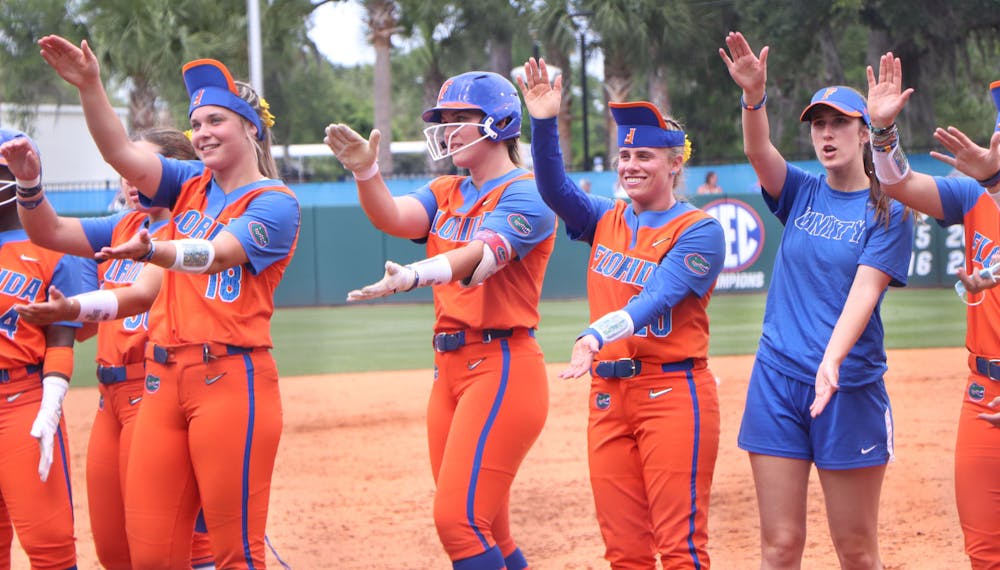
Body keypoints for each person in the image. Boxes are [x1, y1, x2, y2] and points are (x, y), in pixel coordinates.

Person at [31, 35, 300, 569]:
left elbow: (219, 253)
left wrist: (155, 247)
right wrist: (90, 86)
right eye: (196, 124)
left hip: (232, 379)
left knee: (234, 554)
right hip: (162, 381)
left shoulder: (276, 202)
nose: (201, 134)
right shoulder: (190, 185)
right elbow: (122, 154)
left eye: (216, 121)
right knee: (150, 555)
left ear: (251, 126)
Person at [323, 70, 556, 570]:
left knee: (458, 522)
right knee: (487, 525)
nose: (448, 129)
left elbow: (479, 256)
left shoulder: (527, 191)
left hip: (502, 366)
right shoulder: (447, 189)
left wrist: (412, 275)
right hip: (448, 370)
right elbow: (393, 217)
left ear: (499, 123)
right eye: (444, 119)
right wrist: (367, 173)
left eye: (460, 118)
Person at [518, 57, 725, 569]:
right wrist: (544, 122)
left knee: (680, 549)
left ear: (675, 164)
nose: (630, 164)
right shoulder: (605, 218)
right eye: (625, 153)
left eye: (645, 156)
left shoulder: (699, 230)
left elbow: (657, 295)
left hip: (673, 394)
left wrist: (595, 333)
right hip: (608, 398)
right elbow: (553, 189)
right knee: (625, 553)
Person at [719, 32, 914, 569]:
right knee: (779, 546)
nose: (826, 135)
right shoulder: (803, 191)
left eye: (839, 124)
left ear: (862, 132)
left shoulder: (890, 210)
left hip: (847, 388)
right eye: (818, 125)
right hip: (778, 382)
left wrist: (830, 361)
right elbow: (758, 150)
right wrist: (753, 96)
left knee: (855, 551)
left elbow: (864, 290)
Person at [5, 127, 214, 568]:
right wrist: (29, 185)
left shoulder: (191, 229)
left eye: (139, 167)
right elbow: (53, 231)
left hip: (157, 389)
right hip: (110, 397)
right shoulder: (122, 225)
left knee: (168, 543)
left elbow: (136, 296)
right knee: (114, 549)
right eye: (124, 169)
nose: (129, 178)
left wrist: (74, 307)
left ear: (172, 174)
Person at [866, 51, 1000, 569]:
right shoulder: (973, 195)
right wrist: (882, 133)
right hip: (983, 391)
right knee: (985, 553)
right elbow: (898, 183)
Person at [0, 128, 84, 569]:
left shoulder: (53, 248)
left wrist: (50, 404)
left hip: (23, 401)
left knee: (49, 542)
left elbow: (62, 336)